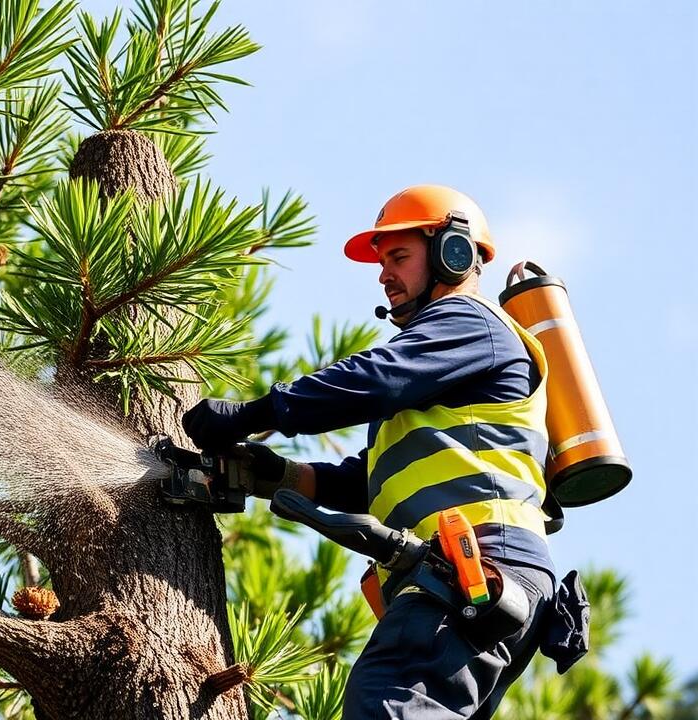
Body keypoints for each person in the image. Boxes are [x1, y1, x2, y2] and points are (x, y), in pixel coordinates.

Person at [183, 185, 557, 719]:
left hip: (479, 563)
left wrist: (254, 413)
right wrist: (278, 475)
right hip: (472, 578)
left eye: (398, 257)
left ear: (453, 252)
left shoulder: (469, 322)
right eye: (382, 263)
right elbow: (373, 478)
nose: (384, 275)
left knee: (385, 700)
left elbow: (375, 379)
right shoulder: (444, 375)